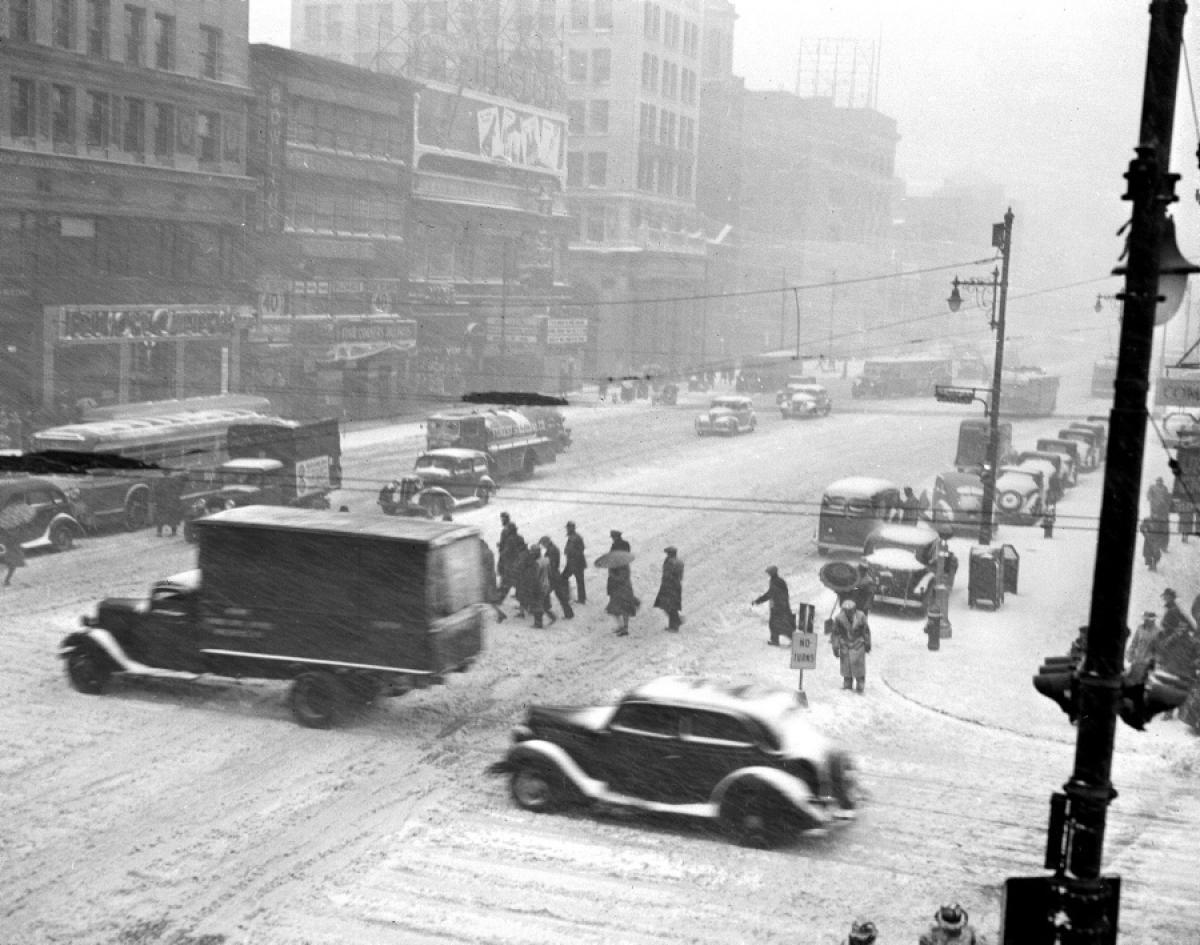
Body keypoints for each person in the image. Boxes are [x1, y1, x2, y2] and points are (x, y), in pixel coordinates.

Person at [830, 599, 871, 693]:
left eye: (851, 611)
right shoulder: (839, 618)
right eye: (846, 611)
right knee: (846, 666)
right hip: (845, 644)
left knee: (859, 666)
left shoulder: (861, 616)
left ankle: (860, 682)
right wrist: (835, 647)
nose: (849, 613)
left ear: (854, 610)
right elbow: (835, 634)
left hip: (858, 644)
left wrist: (867, 644)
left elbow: (866, 631)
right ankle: (847, 682)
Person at [605, 530, 638, 636]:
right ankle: (622, 627)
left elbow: (622, 578)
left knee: (622, 608)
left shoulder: (622, 566)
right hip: (621, 588)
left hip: (621, 588)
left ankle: (625, 628)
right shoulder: (625, 547)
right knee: (616, 608)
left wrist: (613, 575)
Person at [752, 565, 794, 646]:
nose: (768, 574)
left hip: (779, 607)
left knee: (775, 624)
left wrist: (758, 601)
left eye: (769, 573)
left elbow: (769, 594)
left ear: (772, 573)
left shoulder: (776, 582)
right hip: (780, 606)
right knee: (782, 623)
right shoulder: (778, 580)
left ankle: (776, 640)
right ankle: (782, 639)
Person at [538, 535, 572, 619]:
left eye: (543, 544)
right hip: (555, 575)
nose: (543, 546)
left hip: (552, 576)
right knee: (560, 595)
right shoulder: (552, 548)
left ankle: (549, 613)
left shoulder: (552, 550)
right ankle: (569, 613)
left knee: (545, 593)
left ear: (546, 542)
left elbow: (551, 563)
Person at [653, 546, 684, 631]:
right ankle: (675, 623)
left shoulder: (669, 562)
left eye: (668, 553)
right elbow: (680, 576)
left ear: (670, 553)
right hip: (677, 585)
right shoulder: (680, 562)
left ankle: (675, 625)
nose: (667, 554)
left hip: (669, 585)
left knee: (668, 606)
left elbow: (667, 575)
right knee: (671, 606)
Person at [476, 537, 506, 623]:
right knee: (487, 599)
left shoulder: (483, 553)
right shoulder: (489, 551)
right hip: (490, 578)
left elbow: (482, 567)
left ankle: (500, 614)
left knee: (485, 599)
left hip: (485, 579)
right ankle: (499, 614)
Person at [151, 470, 185, 538]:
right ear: (170, 473)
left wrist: (156, 500)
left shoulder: (160, 481)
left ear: (163, 473)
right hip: (172, 502)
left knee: (161, 517)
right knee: (173, 517)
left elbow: (156, 491)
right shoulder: (174, 480)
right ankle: (174, 532)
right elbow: (179, 490)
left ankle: (159, 532)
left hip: (162, 503)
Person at [563, 521, 587, 603]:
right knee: (567, 578)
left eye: (568, 527)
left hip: (576, 563)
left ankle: (580, 598)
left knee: (578, 580)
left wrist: (570, 552)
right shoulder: (572, 537)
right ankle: (579, 598)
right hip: (572, 563)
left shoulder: (577, 537)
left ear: (572, 528)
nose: (567, 529)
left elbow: (581, 549)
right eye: (567, 527)